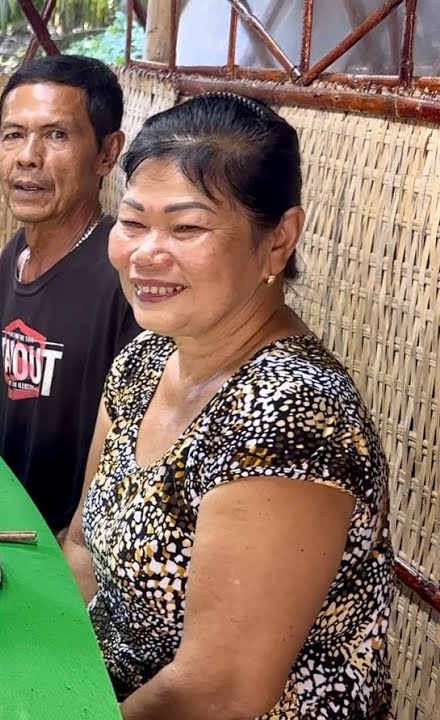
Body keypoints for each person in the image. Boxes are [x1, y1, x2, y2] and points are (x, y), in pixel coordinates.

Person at [63, 93, 393, 718]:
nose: (145, 253)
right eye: (132, 221)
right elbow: (82, 546)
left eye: (186, 227)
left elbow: (218, 693)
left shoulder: (294, 416)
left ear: (279, 241)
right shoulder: (144, 362)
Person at [0, 55, 139, 535]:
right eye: (13, 134)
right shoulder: (15, 254)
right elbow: (3, 409)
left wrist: (72, 547)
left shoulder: (126, 279)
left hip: (73, 550)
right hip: (7, 533)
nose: (28, 156)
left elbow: (136, 461)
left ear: (107, 153)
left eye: (56, 136)